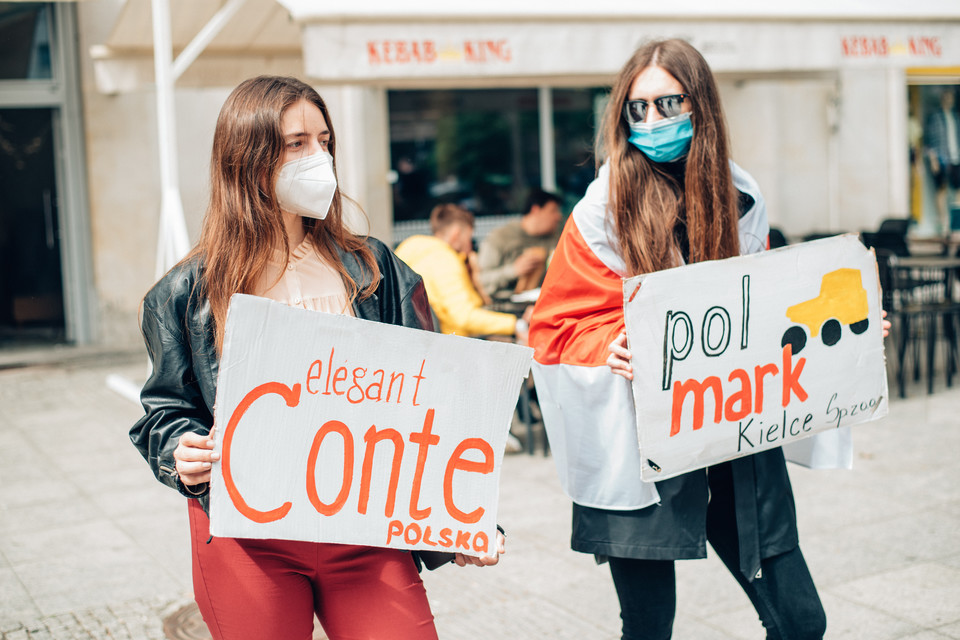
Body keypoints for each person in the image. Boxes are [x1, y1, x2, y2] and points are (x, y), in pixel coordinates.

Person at [129, 76, 503, 640]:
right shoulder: (184, 293)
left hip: (364, 532)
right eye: (296, 143)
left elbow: (435, 400)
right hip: (247, 541)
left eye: (324, 140)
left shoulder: (377, 271)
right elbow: (165, 411)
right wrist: (179, 450)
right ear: (247, 158)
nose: (319, 157)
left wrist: (462, 517)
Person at [528, 40, 829, 639]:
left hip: (735, 435)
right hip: (641, 445)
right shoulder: (599, 212)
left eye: (668, 103)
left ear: (702, 106)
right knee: (648, 630)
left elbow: (766, 308)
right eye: (636, 110)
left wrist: (842, 333)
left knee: (800, 622)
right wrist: (604, 345)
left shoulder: (742, 199)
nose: (652, 121)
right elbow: (554, 328)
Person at [395, 203, 530, 341]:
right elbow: (464, 316)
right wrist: (514, 324)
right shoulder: (445, 259)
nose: (470, 246)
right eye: (469, 238)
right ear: (457, 233)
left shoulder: (409, 250)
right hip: (452, 344)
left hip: (416, 340)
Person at [477, 187, 563, 299]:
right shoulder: (500, 238)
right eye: (553, 211)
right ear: (536, 210)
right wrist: (514, 270)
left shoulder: (555, 239)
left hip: (544, 301)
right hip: (505, 306)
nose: (559, 217)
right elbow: (481, 280)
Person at [924, 87, 960, 234]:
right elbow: (929, 140)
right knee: (941, 190)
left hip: (956, 157)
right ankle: (943, 222)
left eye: (950, 97)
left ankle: (955, 225)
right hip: (941, 158)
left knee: (957, 191)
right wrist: (933, 159)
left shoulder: (956, 117)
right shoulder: (935, 117)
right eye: (946, 97)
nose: (949, 100)